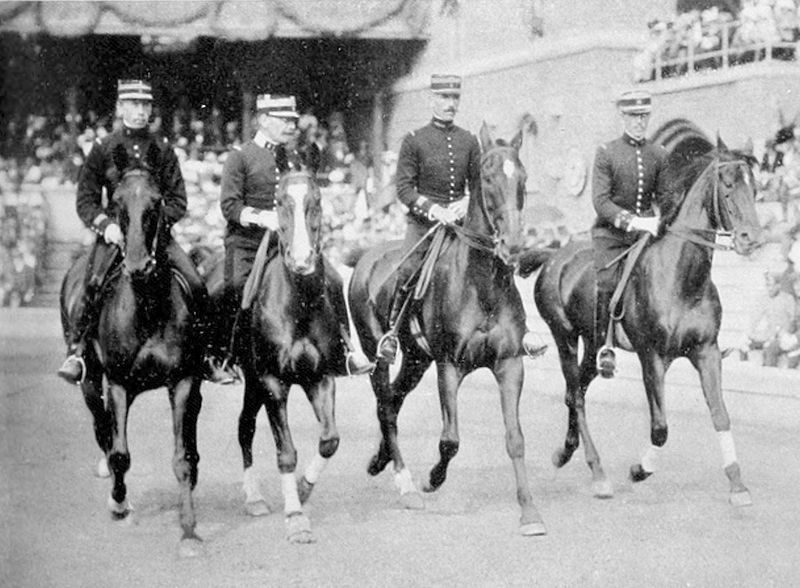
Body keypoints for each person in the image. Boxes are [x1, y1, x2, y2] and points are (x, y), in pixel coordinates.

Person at [57, 79, 226, 384]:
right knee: (90, 284)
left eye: (145, 105)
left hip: (156, 237)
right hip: (114, 237)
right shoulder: (102, 148)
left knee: (195, 284)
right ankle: (78, 350)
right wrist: (106, 226)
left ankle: (207, 355)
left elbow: (178, 200)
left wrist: (155, 227)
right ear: (120, 107)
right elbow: (86, 200)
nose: (139, 111)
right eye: (132, 105)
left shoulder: (163, 149)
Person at [375, 74, 546, 363]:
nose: (450, 104)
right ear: (432, 99)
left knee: (497, 262)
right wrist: (435, 209)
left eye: (454, 98)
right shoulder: (415, 141)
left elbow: (479, 184)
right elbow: (404, 189)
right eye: (444, 98)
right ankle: (392, 333)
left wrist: (464, 202)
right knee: (408, 269)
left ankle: (522, 329)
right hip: (425, 225)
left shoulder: (468, 140)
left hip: (461, 224)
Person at [214, 94, 372, 377]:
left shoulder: (294, 157)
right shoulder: (240, 157)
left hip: (290, 242)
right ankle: (226, 356)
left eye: (291, 120)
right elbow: (229, 206)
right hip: (249, 245)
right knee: (236, 287)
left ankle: (346, 350)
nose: (290, 125)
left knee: (333, 280)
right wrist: (263, 218)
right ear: (263, 120)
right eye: (282, 120)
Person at [591, 89, 670, 378]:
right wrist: (634, 222)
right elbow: (601, 201)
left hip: (647, 234)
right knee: (607, 281)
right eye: (634, 116)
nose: (640, 122)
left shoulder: (659, 154)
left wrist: (660, 217)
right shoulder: (606, 152)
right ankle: (605, 345)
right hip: (613, 236)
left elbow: (663, 196)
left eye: (644, 116)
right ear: (622, 116)